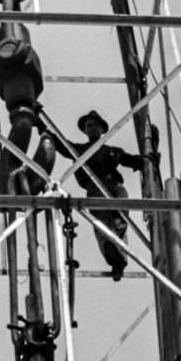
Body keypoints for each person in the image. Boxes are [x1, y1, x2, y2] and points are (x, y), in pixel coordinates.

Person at [53, 110, 144, 280]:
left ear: (102, 129)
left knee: (120, 216)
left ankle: (120, 255)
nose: (92, 129)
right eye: (88, 126)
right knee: (101, 222)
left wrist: (145, 161)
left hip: (114, 186)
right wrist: (45, 130)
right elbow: (62, 145)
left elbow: (130, 160)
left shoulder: (112, 151)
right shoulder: (80, 150)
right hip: (94, 188)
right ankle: (112, 253)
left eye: (95, 126)